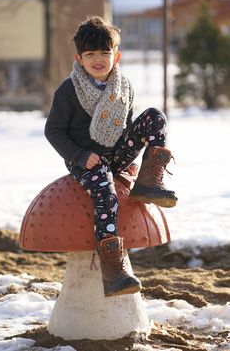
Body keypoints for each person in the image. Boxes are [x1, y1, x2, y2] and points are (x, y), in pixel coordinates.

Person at [44, 16, 177, 298]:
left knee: (155, 116)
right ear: (79, 59)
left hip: (115, 155)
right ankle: (113, 268)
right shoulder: (69, 91)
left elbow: (127, 128)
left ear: (115, 56)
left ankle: (149, 180)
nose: (98, 59)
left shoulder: (124, 87)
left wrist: (127, 165)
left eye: (104, 53)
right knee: (105, 190)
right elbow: (53, 130)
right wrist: (79, 156)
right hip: (87, 161)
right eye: (90, 54)